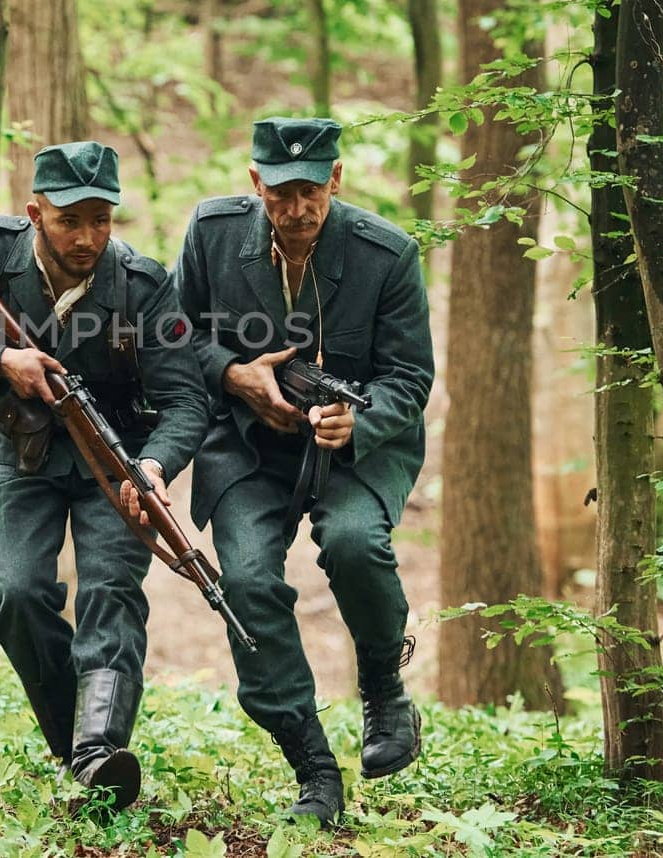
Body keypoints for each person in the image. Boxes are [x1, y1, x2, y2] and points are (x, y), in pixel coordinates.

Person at [0, 141, 208, 810]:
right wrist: (1, 363)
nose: (88, 237)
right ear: (35, 213)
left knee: (110, 592)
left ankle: (99, 756)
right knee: (18, 593)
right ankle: (80, 747)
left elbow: (187, 400)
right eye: (71, 220)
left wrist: (154, 465)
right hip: (22, 451)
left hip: (116, 459)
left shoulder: (145, 285)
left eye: (102, 219)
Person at [171, 118, 434, 824]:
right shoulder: (211, 233)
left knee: (354, 543)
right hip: (247, 444)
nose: (296, 209)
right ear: (256, 183)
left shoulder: (388, 253)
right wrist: (234, 374)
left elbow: (410, 376)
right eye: (280, 193)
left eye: (311, 191)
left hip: (351, 445)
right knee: (247, 581)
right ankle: (313, 768)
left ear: (336, 180)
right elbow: (174, 333)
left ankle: (383, 690)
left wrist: (361, 422)